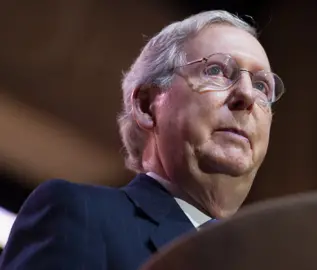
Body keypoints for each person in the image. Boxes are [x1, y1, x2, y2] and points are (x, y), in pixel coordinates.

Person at [0, 10, 284, 270]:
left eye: (262, 86)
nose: (247, 95)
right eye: (216, 71)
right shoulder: (80, 215)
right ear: (148, 106)